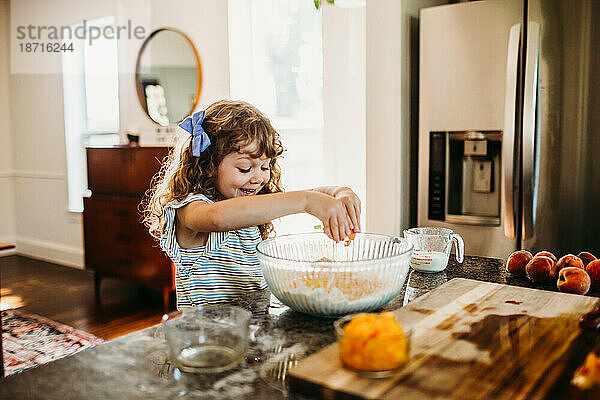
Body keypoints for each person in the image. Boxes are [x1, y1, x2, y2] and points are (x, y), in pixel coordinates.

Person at [143, 99, 361, 308]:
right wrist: (306, 201)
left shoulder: (249, 205)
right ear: (209, 165)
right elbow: (217, 218)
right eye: (245, 168)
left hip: (253, 328)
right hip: (207, 337)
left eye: (265, 167)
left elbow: (310, 194)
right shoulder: (190, 210)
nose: (258, 178)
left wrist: (340, 193)